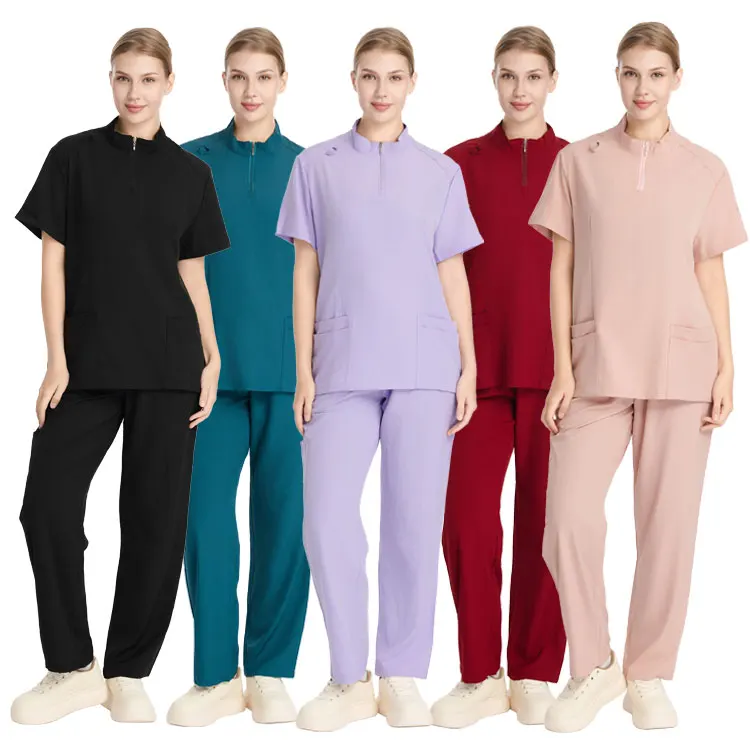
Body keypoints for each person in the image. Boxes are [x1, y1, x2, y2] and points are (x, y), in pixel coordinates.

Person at [528, 21, 746, 733]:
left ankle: (647, 673)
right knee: (567, 521)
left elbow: (709, 269)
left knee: (668, 529)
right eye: (630, 72)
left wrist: (727, 361)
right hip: (596, 365)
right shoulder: (578, 162)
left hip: (683, 364)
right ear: (616, 77)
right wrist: (561, 368)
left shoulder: (706, 168)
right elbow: (560, 268)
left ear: (677, 79)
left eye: (655, 73)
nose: (642, 87)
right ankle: (594, 665)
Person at [11, 28, 229, 725]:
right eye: (123, 77)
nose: (134, 92)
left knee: (154, 520)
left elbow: (192, 272)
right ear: (111, 80)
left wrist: (212, 354)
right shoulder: (72, 157)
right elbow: (52, 261)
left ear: (169, 84)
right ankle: (72, 666)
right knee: (46, 506)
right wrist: (56, 357)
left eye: (147, 79)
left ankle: (128, 671)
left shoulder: (190, 174)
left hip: (169, 366)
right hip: (87, 365)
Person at [276, 26, 482, 732]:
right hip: (341, 362)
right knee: (326, 520)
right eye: (369, 75)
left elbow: (452, 270)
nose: (381, 89)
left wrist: (469, 363)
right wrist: (302, 368)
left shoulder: (440, 172)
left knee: (412, 522)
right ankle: (347, 676)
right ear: (354, 80)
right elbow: (305, 270)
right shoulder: (316, 165)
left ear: (412, 83)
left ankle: (400, 673)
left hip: (426, 363)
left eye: (394, 76)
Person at [167, 28, 309, 728]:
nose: (250, 90)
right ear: (223, 81)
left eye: (263, 77)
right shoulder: (189, 162)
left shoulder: (310, 166)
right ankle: (215, 674)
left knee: (287, 525)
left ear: (283, 81)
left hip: (291, 374)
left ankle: (271, 669)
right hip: (207, 378)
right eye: (238, 76)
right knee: (203, 523)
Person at [432, 26, 567, 729]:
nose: (520, 89)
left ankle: (536, 670)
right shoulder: (457, 164)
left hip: (557, 373)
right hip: (473, 374)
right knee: (465, 521)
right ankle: (480, 671)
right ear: (493, 78)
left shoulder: (578, 163)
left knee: (547, 524)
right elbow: (434, 265)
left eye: (533, 76)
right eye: (509, 75)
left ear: (552, 81)